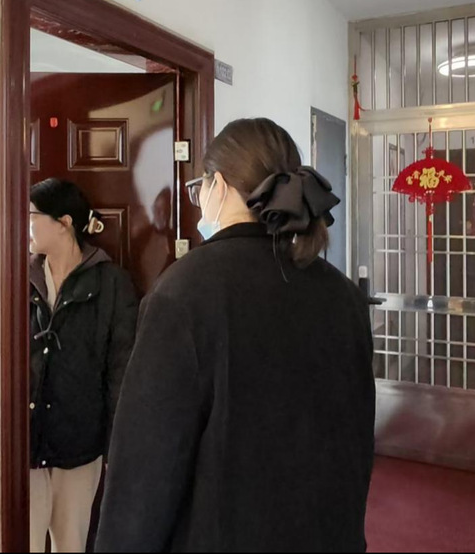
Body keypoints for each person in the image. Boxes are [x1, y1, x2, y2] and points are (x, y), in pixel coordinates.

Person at [95, 118, 375, 553]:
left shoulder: (184, 293)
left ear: (219, 186)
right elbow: (356, 440)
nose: (199, 203)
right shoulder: (342, 294)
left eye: (199, 189)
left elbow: (146, 469)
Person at [28, 178, 138, 553]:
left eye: (33, 215)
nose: (26, 225)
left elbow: (121, 370)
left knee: (72, 544)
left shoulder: (112, 283)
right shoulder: (18, 276)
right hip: (26, 443)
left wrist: (116, 445)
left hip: (80, 443)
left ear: (64, 223)